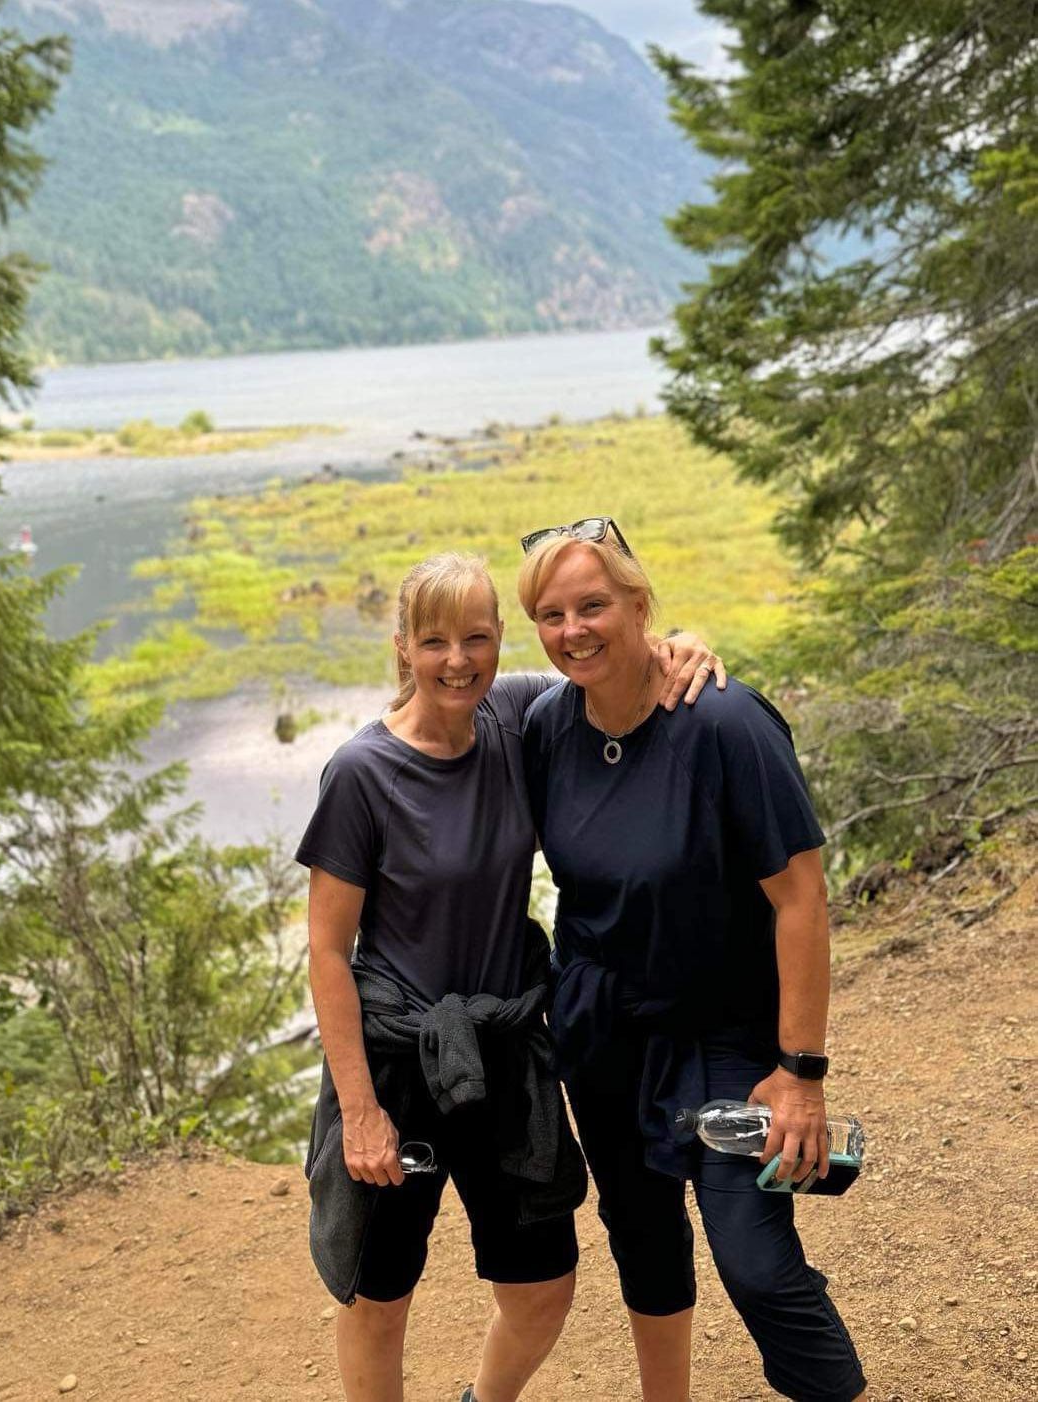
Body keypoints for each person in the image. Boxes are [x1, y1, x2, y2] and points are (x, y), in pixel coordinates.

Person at [297, 551, 722, 1402]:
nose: (457, 660)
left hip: (505, 1054)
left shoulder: (516, 715)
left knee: (540, 1288)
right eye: (434, 641)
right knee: (380, 1293)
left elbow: (602, 662)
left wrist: (685, 644)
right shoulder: (361, 773)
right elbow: (324, 952)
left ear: (498, 642)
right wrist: (361, 1112)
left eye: (477, 638)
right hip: (398, 1058)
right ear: (403, 650)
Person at [517, 519, 867, 1402]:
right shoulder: (542, 725)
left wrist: (802, 1074)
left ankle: (830, 1388)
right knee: (639, 1233)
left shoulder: (722, 722)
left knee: (753, 1258)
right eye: (551, 616)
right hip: (602, 1030)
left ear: (638, 603)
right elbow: (444, 695)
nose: (573, 631)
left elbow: (800, 899)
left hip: (725, 1032)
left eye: (593, 605)